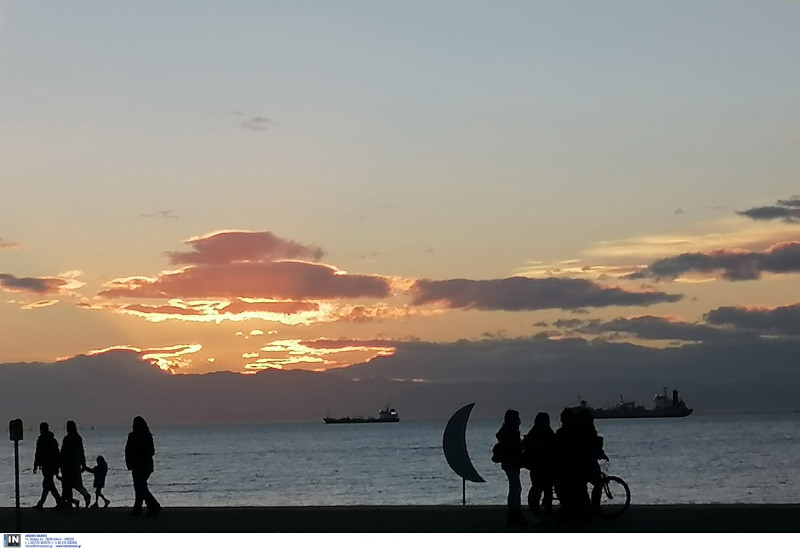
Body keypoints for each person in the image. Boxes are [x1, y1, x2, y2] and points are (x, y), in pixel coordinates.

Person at [494, 409, 526, 526]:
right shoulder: (512, 432)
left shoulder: (505, 431)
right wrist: (523, 444)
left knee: (515, 487)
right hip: (512, 462)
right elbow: (514, 447)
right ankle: (515, 511)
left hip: (508, 463)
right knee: (515, 487)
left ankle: (513, 511)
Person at [125, 416, 161, 516]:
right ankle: (145, 507)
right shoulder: (147, 435)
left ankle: (150, 506)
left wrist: (130, 462)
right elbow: (152, 451)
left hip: (137, 464)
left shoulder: (133, 436)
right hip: (146, 464)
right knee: (141, 486)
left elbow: (128, 451)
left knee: (140, 487)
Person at [521, 411, 556, 516]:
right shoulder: (548, 432)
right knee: (546, 489)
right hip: (545, 465)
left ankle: (537, 511)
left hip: (536, 466)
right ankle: (547, 511)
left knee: (538, 489)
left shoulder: (533, 433)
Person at [60, 420, 91, 508]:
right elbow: (81, 451)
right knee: (72, 484)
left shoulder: (68, 439)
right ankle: (72, 500)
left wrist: (61, 464)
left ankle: (75, 499)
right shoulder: (77, 438)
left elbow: (63, 452)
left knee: (70, 484)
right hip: (74, 464)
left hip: (69, 465)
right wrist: (83, 463)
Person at [32, 422, 62, 510]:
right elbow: (57, 454)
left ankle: (46, 502)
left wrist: (36, 465)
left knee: (47, 484)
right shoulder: (52, 440)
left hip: (47, 465)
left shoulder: (42, 440)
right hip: (50, 465)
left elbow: (38, 453)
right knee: (48, 484)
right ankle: (56, 501)